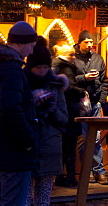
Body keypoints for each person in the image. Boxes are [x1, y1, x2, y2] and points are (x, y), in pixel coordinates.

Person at [0, 21, 39, 206]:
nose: (31, 51)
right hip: (14, 148)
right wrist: (28, 140)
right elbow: (11, 109)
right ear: (20, 43)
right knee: (13, 200)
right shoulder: (11, 69)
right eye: (31, 46)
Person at [25, 38, 67, 206]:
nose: (42, 71)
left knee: (44, 199)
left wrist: (51, 108)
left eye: (45, 67)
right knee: (24, 198)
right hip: (27, 146)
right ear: (30, 67)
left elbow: (64, 120)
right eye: (38, 67)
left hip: (50, 146)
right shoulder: (22, 82)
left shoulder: (55, 85)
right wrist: (32, 104)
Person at [73, 30, 108, 185]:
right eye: (86, 42)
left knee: (95, 139)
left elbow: (105, 81)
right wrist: (84, 78)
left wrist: (101, 100)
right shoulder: (73, 59)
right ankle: (85, 171)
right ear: (79, 43)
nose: (89, 45)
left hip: (95, 102)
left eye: (90, 42)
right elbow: (68, 79)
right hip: (79, 103)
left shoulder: (98, 58)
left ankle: (98, 171)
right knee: (82, 139)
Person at [51, 44, 85, 188]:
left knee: (62, 145)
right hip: (69, 110)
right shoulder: (67, 68)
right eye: (72, 55)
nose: (74, 57)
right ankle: (70, 176)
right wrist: (82, 92)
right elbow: (69, 88)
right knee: (70, 145)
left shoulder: (55, 65)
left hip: (59, 111)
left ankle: (59, 175)